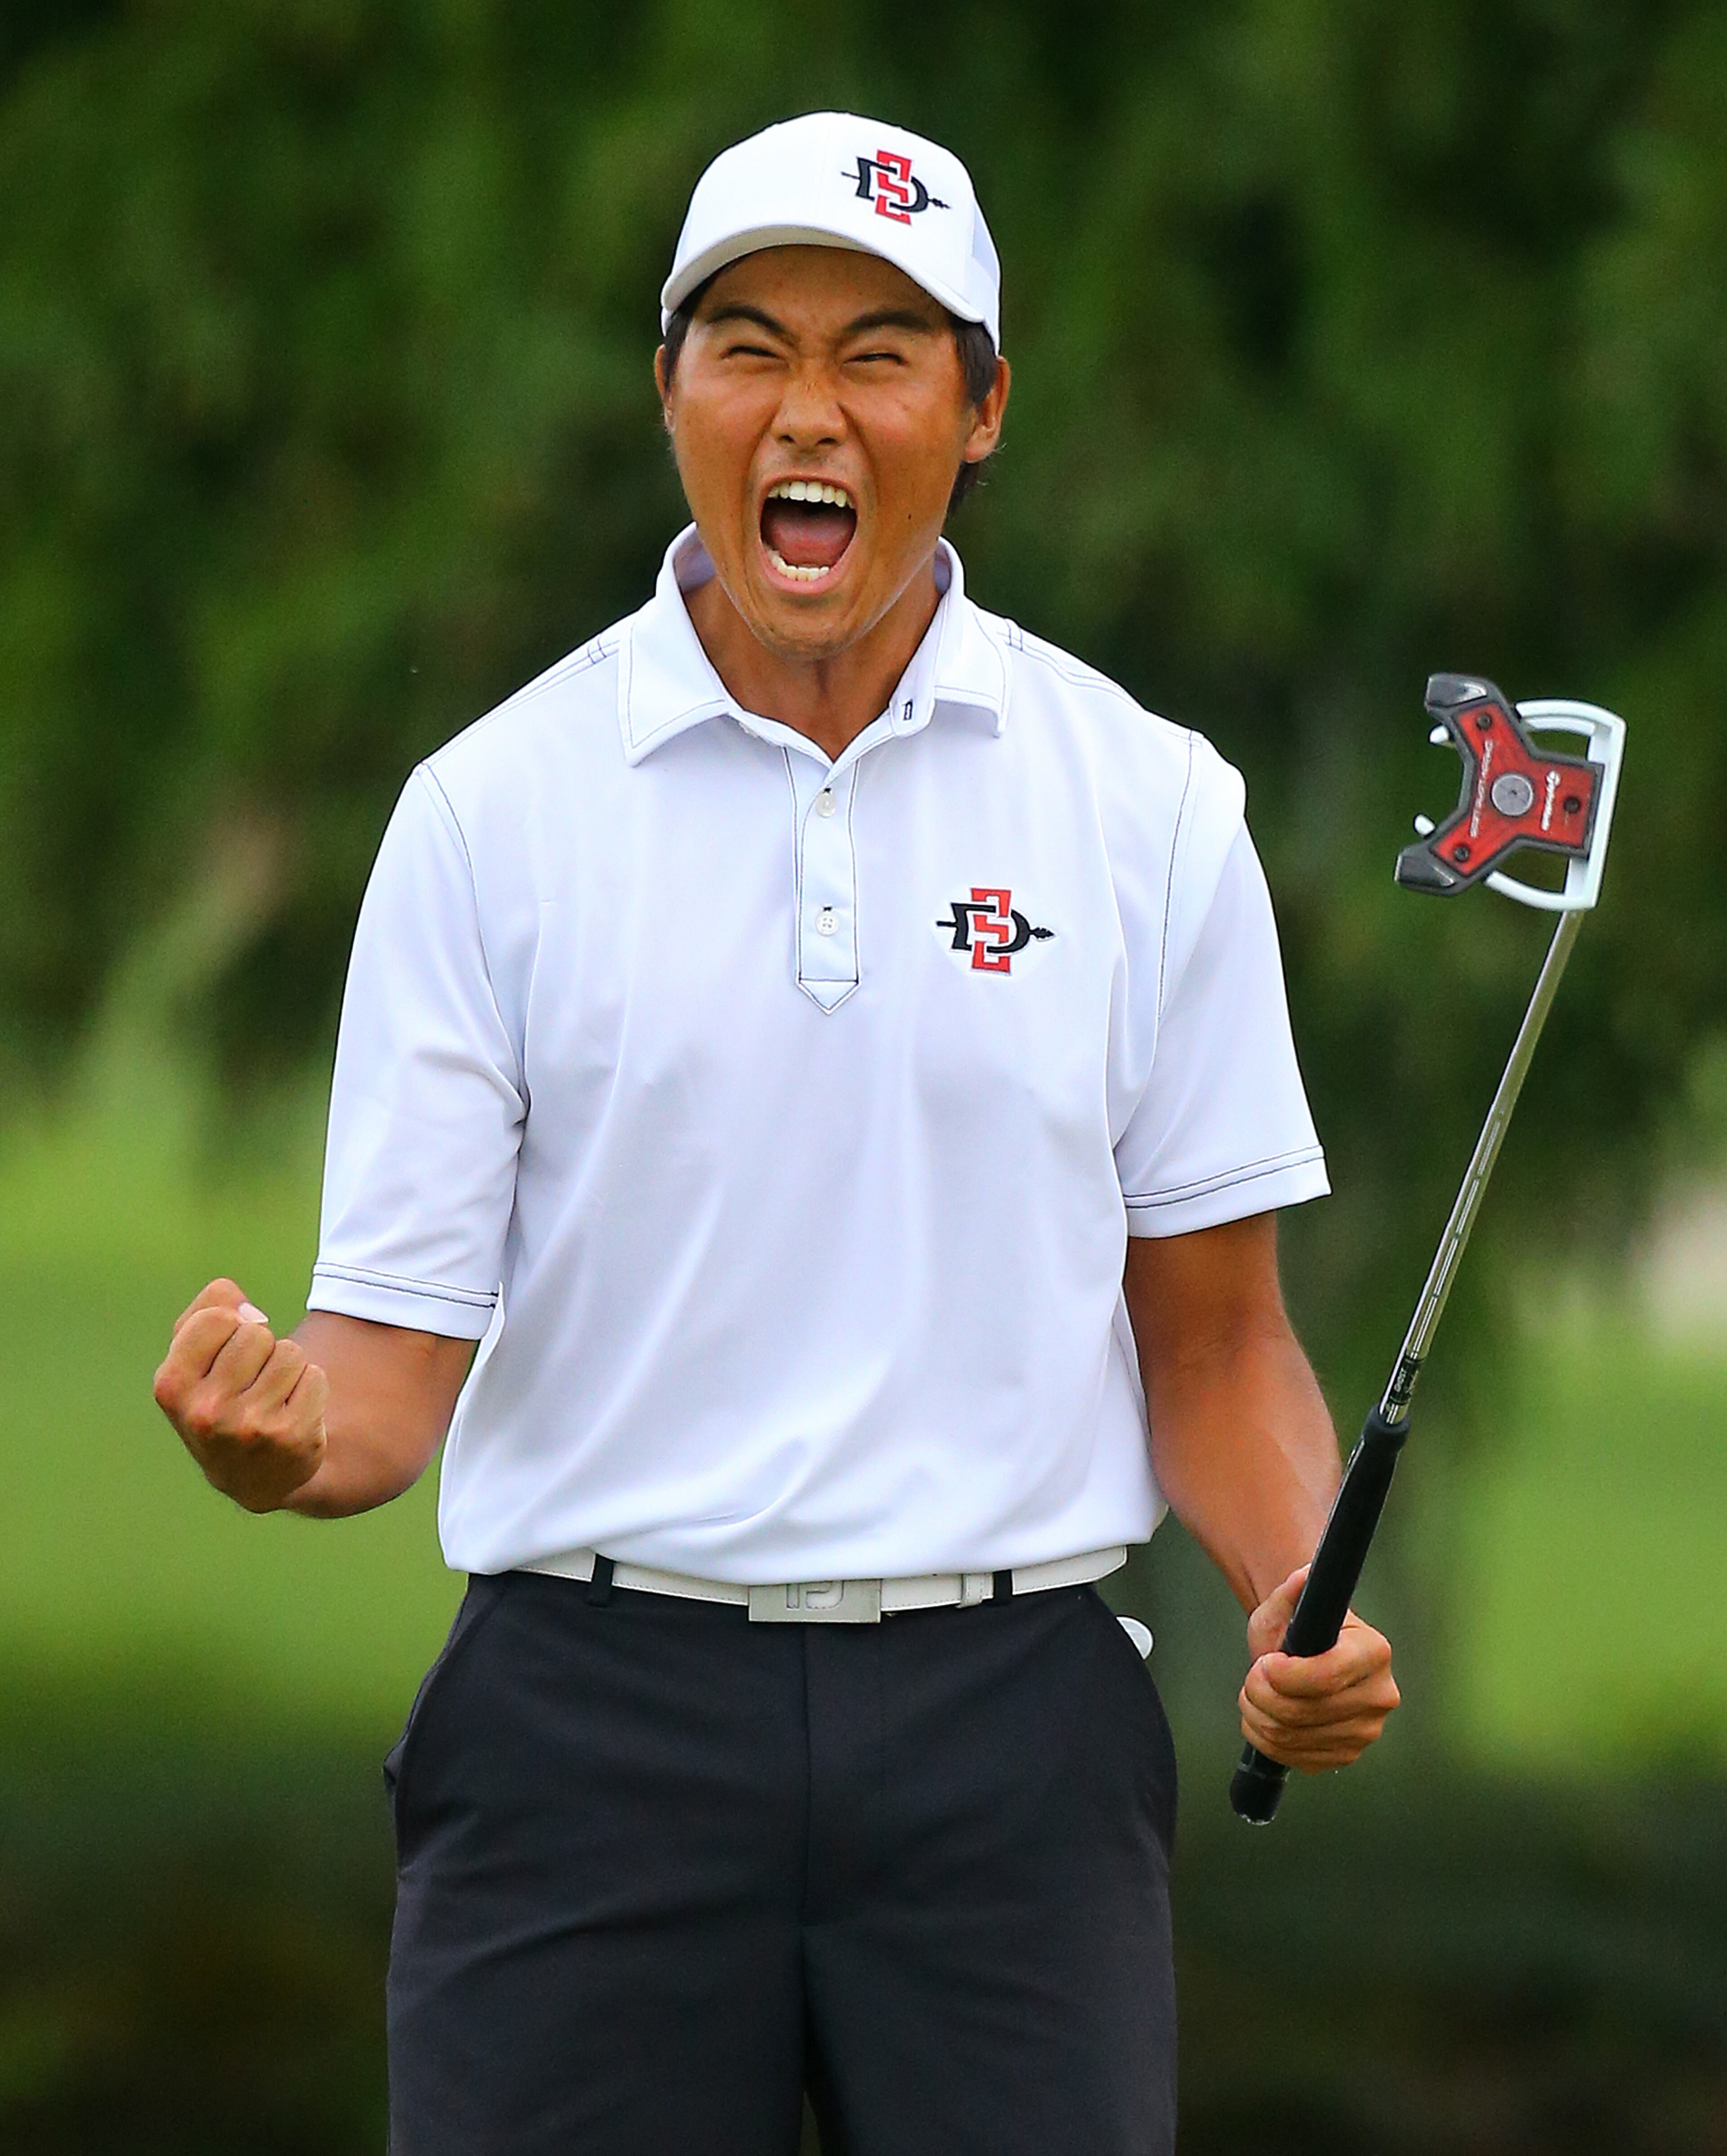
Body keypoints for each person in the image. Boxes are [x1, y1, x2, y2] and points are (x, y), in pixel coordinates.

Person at [152, 111, 1397, 2156]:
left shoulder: (1150, 803)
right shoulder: (495, 809)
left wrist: (1293, 1581)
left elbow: (1215, 1339)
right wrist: (284, 1441)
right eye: (748, 346)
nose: (806, 409)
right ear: (670, 396)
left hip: (1012, 1734)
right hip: (586, 1724)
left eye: (881, 353)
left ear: (983, 408)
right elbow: (384, 1369)